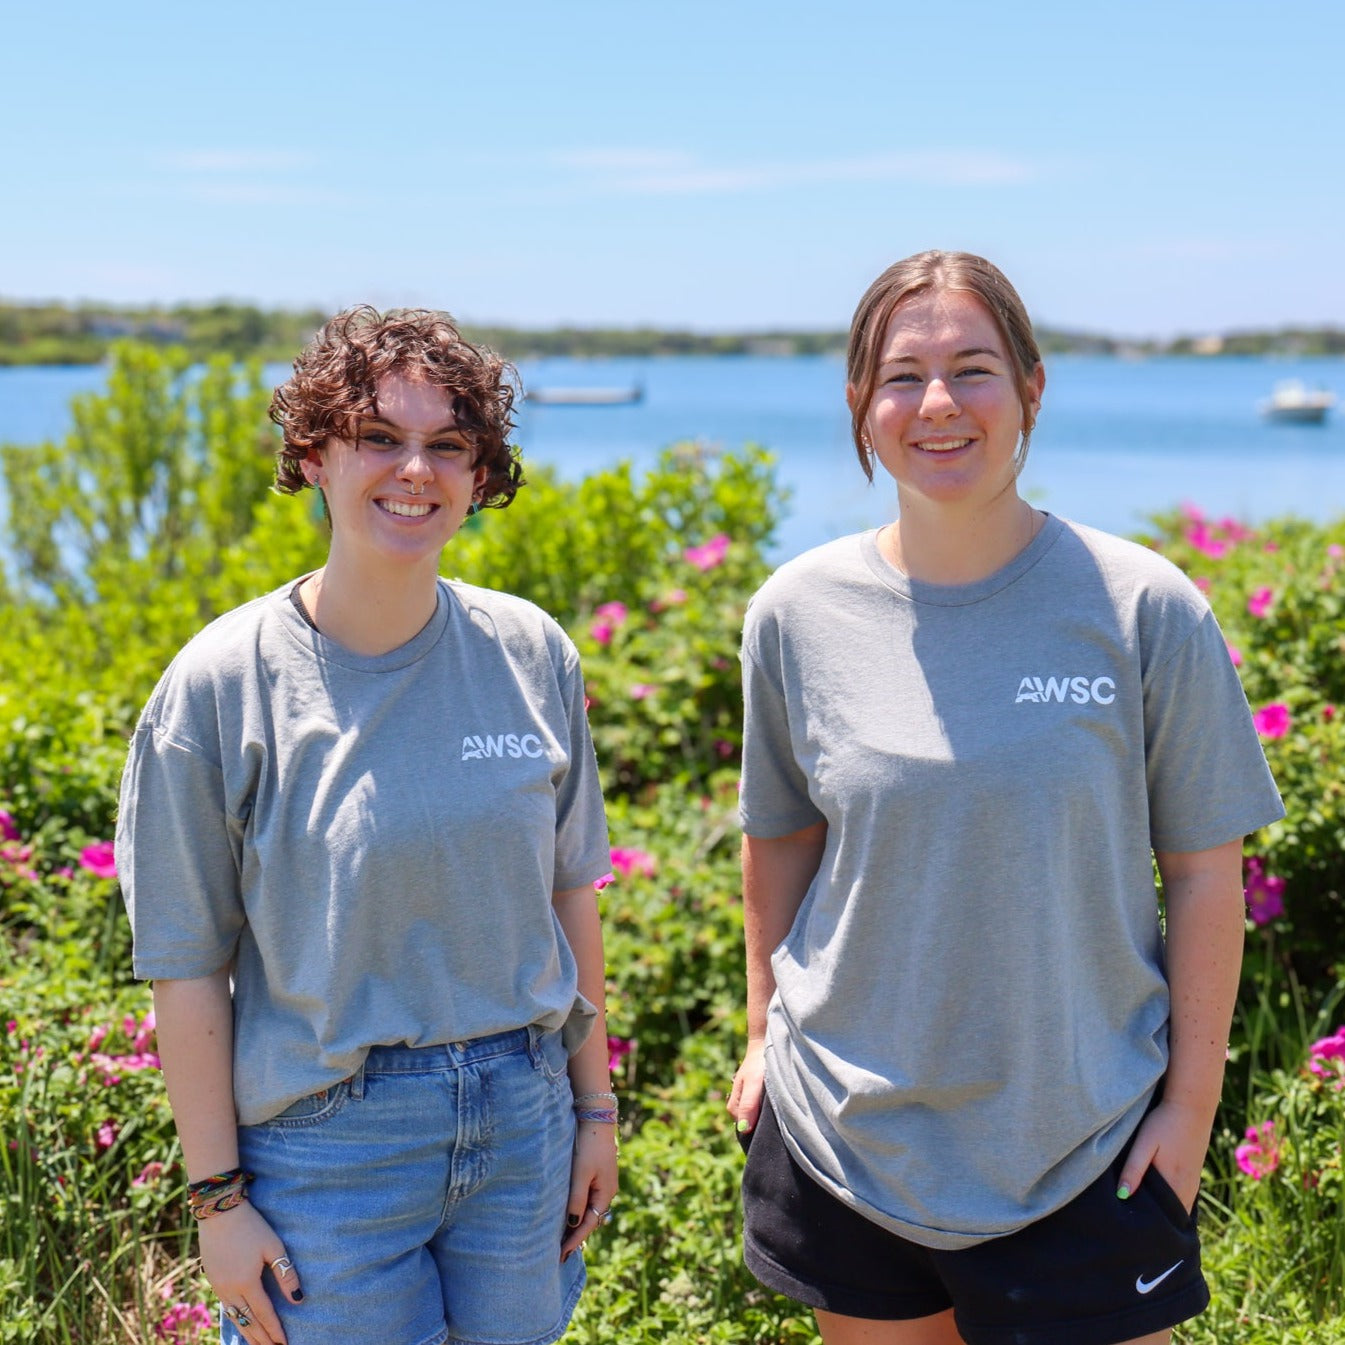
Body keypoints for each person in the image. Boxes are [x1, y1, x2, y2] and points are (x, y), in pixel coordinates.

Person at [727, 251, 1284, 1345]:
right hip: (848, 1133)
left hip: (1085, 1138)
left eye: (972, 368)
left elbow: (1207, 873)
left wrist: (1190, 1106)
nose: (937, 403)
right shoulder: (795, 612)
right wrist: (761, 1033)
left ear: (1031, 389)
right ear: (859, 404)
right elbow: (780, 837)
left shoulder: (1142, 607)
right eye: (903, 375)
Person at [116, 307, 618, 1345]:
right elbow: (184, 964)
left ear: (481, 473)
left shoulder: (532, 652)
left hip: (524, 1123)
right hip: (326, 1149)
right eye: (380, 437)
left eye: (447, 445)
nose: (414, 470)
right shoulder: (220, 685)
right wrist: (216, 1201)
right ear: (312, 454)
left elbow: (573, 895)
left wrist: (595, 1109)